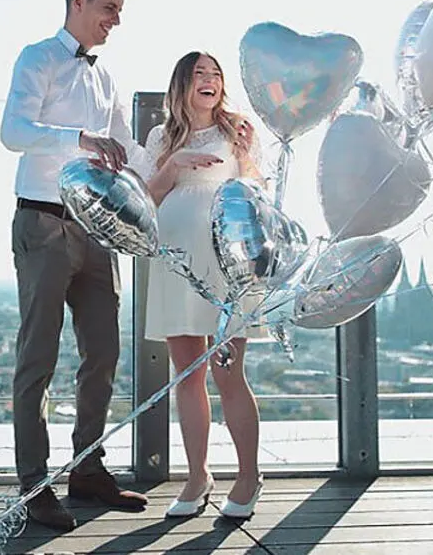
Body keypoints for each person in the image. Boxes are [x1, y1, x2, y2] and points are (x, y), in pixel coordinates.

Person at [0, 0, 153, 532]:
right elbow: (13, 133)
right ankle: (34, 486)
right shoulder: (37, 58)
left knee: (103, 354)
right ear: (78, 2)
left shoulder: (106, 76)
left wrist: (176, 164)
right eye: (109, 8)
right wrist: (78, 140)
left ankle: (87, 472)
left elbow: (128, 150)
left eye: (119, 11)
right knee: (37, 359)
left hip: (97, 229)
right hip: (42, 223)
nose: (116, 20)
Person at [142, 51, 271, 519]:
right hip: (176, 264)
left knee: (228, 372)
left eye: (216, 74)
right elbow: (147, 202)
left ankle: (248, 475)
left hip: (225, 264)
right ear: (182, 84)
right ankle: (197, 477)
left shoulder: (236, 129)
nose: (210, 80)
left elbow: (256, 186)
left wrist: (246, 152)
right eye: (200, 73)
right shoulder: (162, 137)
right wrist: (173, 165)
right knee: (187, 376)